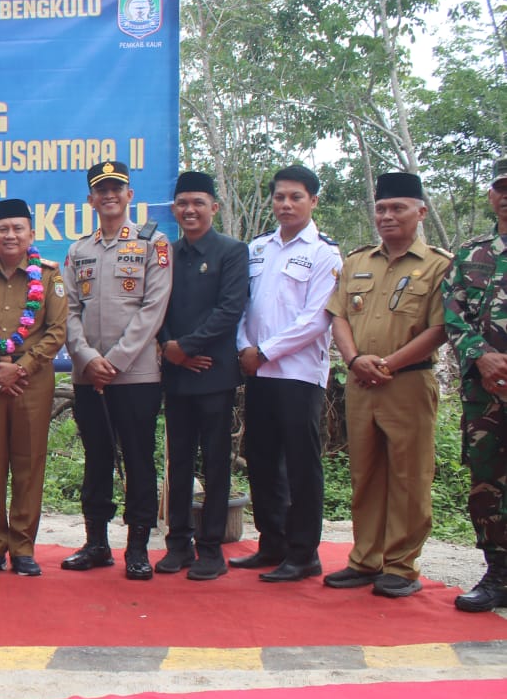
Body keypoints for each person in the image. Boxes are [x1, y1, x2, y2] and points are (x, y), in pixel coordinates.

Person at [322, 172, 451, 598]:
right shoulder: (357, 262)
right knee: (366, 473)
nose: (388, 216)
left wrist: (389, 363)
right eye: (381, 208)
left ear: (420, 212)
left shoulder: (438, 265)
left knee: (409, 476)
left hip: (408, 384)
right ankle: (365, 559)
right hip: (362, 383)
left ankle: (400, 565)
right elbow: (338, 315)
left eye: (398, 208)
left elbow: (440, 328)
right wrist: (356, 360)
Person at [63, 161, 173, 579]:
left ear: (130, 195)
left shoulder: (153, 244)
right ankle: (96, 544)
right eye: (100, 190)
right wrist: (89, 359)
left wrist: (119, 359)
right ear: (91, 200)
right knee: (96, 458)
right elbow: (70, 311)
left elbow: (153, 308)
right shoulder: (78, 250)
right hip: (89, 374)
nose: (109, 196)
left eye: (116, 189)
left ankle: (138, 547)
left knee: (139, 459)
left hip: (137, 374)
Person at [234, 165, 343, 582]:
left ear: (313, 200)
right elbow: (244, 306)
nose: (286, 204)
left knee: (300, 464)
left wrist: (264, 351)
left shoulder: (324, 253)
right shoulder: (257, 248)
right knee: (261, 460)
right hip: (256, 371)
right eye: (279, 197)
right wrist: (244, 346)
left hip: (298, 374)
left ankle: (303, 553)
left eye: (295, 197)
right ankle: (272, 542)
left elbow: (317, 318)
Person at [0, 198, 67, 576]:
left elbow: (57, 331)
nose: (11, 235)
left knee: (29, 462)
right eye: (3, 228)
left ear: (31, 234)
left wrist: (21, 367)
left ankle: (22, 547)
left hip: (32, 380)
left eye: (18, 228)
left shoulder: (49, 276)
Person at [158, 171, 249, 580]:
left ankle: (211, 547)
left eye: (198, 202)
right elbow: (151, 305)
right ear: (174, 209)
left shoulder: (232, 251)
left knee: (215, 463)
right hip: (175, 374)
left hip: (214, 372)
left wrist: (187, 347)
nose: (189, 210)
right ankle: (178, 543)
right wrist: (168, 349)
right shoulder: (165, 253)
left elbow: (231, 309)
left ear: (213, 207)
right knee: (178, 462)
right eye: (182, 203)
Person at [444, 157, 507, 612]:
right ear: (491, 196)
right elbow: (453, 313)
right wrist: (481, 356)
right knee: (487, 484)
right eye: (501, 187)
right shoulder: (472, 253)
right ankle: (498, 574)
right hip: (485, 392)